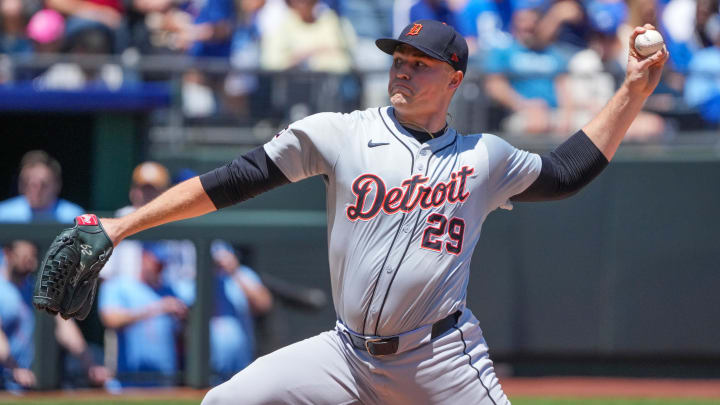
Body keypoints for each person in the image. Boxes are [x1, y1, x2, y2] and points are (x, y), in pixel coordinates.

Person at [46, 18, 667, 404]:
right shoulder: (342, 133)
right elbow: (235, 179)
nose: (403, 68)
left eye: (420, 65)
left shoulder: (485, 157)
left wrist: (633, 90)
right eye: (399, 58)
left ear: (454, 80)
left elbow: (564, 174)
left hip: (440, 360)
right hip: (346, 354)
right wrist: (124, 225)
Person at [0, 241, 109, 391]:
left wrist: (89, 363)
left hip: (31, 382)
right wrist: (13, 368)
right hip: (6, 382)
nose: (31, 261)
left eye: (33, 256)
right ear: (8, 253)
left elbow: (62, 326)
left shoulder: (35, 288)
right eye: (26, 256)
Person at [98, 243, 188, 386]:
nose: (160, 268)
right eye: (156, 262)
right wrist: (156, 309)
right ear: (143, 257)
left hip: (165, 379)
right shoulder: (120, 285)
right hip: (128, 380)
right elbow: (110, 319)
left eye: (163, 263)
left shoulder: (170, 290)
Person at [209, 241, 273, 382]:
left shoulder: (243, 274)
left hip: (241, 361)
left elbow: (264, 304)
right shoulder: (200, 277)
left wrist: (234, 271)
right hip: (209, 365)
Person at [0, 150, 84, 223]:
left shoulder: (75, 217)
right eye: (28, 183)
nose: (35, 190)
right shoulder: (3, 214)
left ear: (57, 185)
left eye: (43, 184)